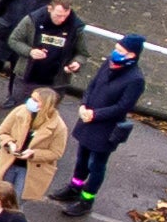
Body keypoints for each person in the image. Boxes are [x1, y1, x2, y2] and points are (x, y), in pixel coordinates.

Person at [58, 33, 147, 211]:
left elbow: (122, 107)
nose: (115, 53)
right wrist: (84, 105)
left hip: (105, 128)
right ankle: (75, 187)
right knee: (81, 159)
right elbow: (92, 85)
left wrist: (95, 114)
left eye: (120, 50)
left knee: (96, 165)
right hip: (88, 120)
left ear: (131, 55)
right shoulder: (109, 63)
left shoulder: (136, 79)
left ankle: (86, 199)